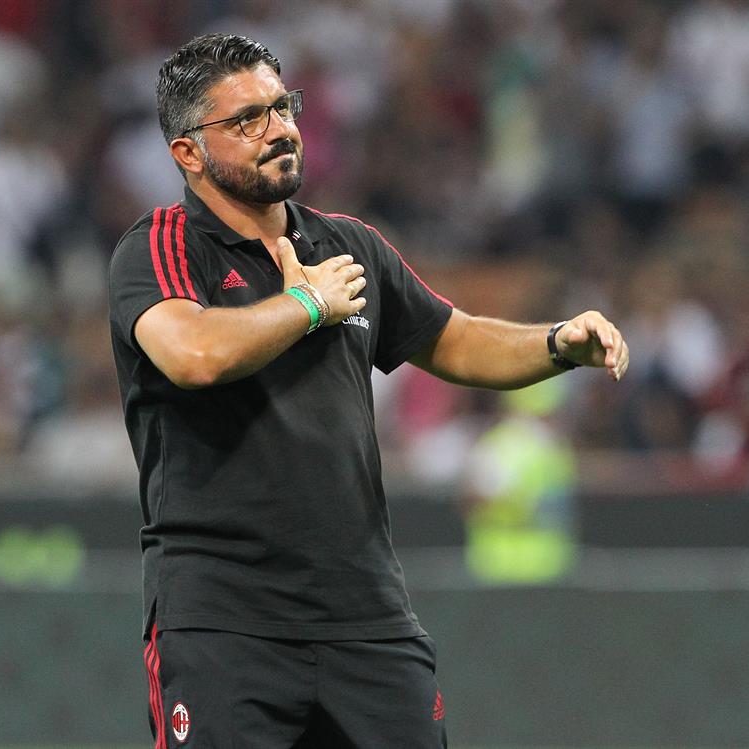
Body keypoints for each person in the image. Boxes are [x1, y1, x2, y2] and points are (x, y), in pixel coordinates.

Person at [107, 33, 629, 749]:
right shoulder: (160, 246)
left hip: (366, 617)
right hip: (224, 618)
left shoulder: (348, 246)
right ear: (188, 153)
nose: (279, 129)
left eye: (281, 107)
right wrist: (307, 304)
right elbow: (194, 353)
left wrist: (556, 343)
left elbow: (455, 339)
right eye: (247, 119)